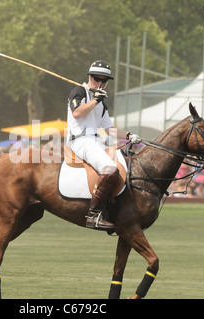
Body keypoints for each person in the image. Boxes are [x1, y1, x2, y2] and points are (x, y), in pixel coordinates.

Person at [66, 60, 140, 229]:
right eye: (96, 79)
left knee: (124, 165)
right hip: (79, 139)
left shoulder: (101, 103)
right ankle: (93, 215)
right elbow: (77, 113)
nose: (99, 83)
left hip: (96, 141)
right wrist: (95, 101)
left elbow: (109, 129)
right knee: (110, 168)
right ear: (90, 77)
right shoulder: (79, 91)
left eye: (104, 80)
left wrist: (129, 135)